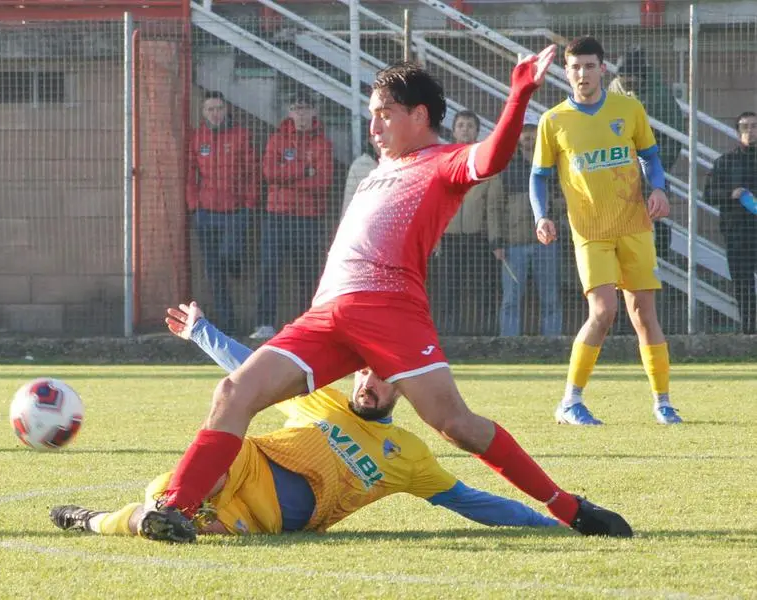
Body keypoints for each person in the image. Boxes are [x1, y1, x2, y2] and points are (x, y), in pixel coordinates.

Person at [142, 48, 633, 544]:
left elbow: (492, 156)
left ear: (419, 116)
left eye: (385, 113)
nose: (374, 125)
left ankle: (570, 508)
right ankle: (175, 510)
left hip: (388, 311)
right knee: (233, 393)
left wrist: (519, 94)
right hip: (328, 314)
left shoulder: (445, 161)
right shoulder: (379, 168)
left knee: (455, 425)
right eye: (372, 114)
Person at [50, 301, 560, 538]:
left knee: (187, 530)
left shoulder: (410, 455)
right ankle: (122, 516)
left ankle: (102, 521)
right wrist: (203, 331)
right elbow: (245, 370)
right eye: (363, 373)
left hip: (269, 517)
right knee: (182, 494)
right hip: (246, 465)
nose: (368, 383)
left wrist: (551, 520)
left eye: (382, 378)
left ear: (403, 387)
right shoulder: (321, 398)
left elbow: (473, 502)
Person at [530, 37, 681, 426]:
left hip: (634, 224)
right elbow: (539, 176)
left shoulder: (628, 109)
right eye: (576, 66)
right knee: (604, 311)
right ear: (567, 72)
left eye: (590, 66)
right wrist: (541, 215)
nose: (583, 73)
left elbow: (650, 156)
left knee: (643, 312)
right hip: (590, 229)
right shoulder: (554, 121)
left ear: (603, 69)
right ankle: (570, 400)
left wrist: (659, 188)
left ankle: (663, 402)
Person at [250, 93, 334, 341]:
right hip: (277, 216)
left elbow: (323, 182)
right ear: (290, 112)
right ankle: (265, 323)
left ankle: (308, 326)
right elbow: (269, 173)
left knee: (307, 273)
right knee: (269, 271)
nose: (302, 114)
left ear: (314, 112)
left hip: (309, 217)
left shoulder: (322, 144)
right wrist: (304, 170)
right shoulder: (277, 140)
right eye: (297, 109)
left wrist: (288, 177)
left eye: (306, 108)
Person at [187, 91, 259, 333]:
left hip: (235, 211)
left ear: (226, 110)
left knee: (230, 255)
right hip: (205, 212)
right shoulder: (198, 138)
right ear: (203, 112)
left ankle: (236, 265)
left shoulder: (240, 135)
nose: (215, 114)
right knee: (214, 271)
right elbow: (190, 174)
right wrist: (193, 204)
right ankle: (228, 324)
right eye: (210, 109)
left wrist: (249, 203)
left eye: (218, 108)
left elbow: (251, 170)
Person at [608, 46, 687, 262]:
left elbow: (674, 133)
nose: (629, 83)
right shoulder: (615, 88)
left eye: (633, 79)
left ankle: (658, 258)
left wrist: (659, 165)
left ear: (642, 77)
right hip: (621, 167)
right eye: (625, 78)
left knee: (656, 214)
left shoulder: (658, 96)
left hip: (653, 163)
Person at [429, 110, 502, 335]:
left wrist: (495, 240)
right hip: (449, 238)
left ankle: (484, 335)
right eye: (461, 125)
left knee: (483, 288)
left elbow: (493, 206)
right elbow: (435, 202)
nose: (465, 129)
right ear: (454, 130)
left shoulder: (485, 160)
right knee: (449, 288)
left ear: (477, 131)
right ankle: (448, 336)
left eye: (470, 126)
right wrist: (435, 237)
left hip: (477, 237)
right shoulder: (443, 159)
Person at [489, 113, 563, 337]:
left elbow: (565, 201)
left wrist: (555, 205)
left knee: (550, 297)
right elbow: (494, 208)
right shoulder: (507, 169)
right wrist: (497, 241)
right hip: (514, 245)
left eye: (533, 133)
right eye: (525, 133)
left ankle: (552, 344)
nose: (529, 137)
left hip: (547, 243)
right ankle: (509, 345)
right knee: (511, 298)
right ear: (519, 137)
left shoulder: (553, 167)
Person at [704, 111, 757, 334]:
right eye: (745, 127)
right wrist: (730, 193)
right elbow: (708, 195)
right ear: (737, 132)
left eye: (754, 126)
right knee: (743, 283)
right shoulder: (725, 162)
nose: (750, 131)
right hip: (737, 232)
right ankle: (750, 330)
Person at [341, 139, 380, 218]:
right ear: (370, 139)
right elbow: (348, 202)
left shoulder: (401, 164)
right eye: (375, 135)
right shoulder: (360, 165)